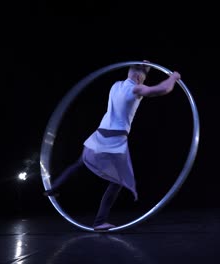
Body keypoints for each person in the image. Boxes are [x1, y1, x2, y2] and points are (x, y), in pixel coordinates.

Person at [44, 60, 181, 231]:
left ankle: (54, 188)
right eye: (144, 78)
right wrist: (173, 77)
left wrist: (143, 66)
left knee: (80, 163)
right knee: (118, 182)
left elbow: (137, 74)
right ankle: (99, 221)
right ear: (139, 77)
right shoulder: (136, 88)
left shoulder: (116, 85)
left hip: (99, 135)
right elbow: (161, 89)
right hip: (113, 140)